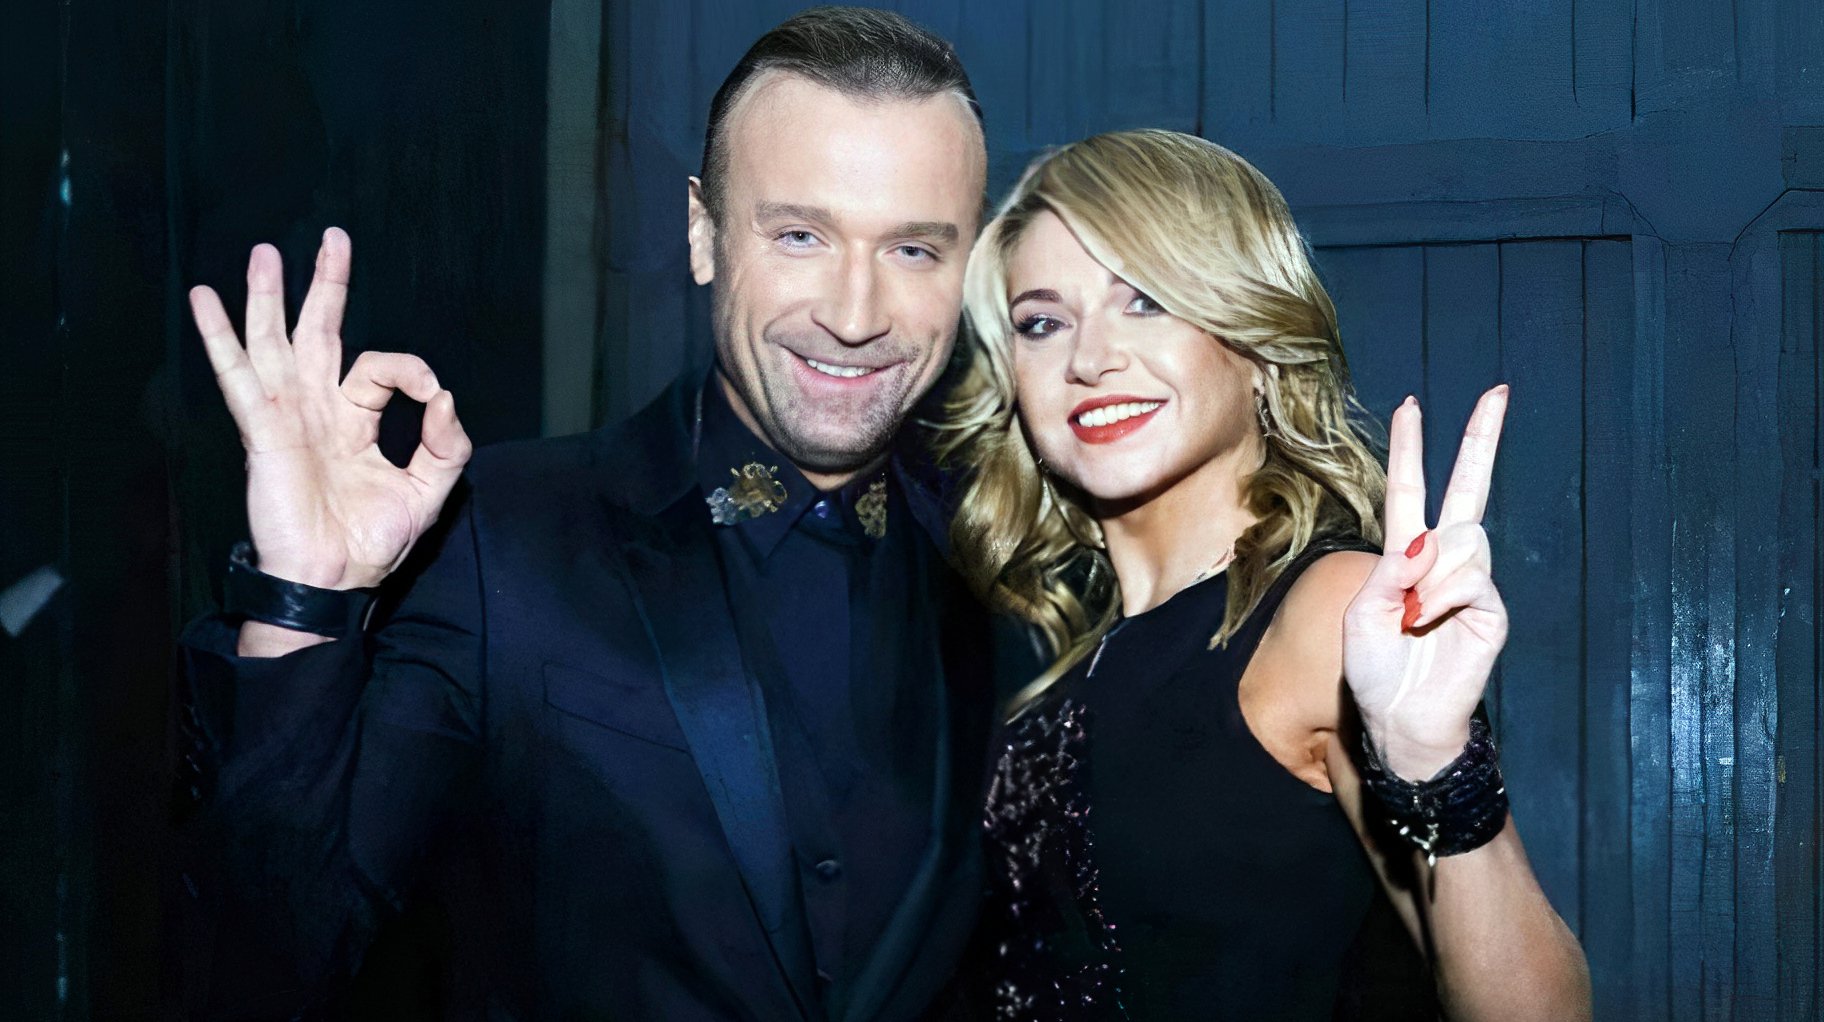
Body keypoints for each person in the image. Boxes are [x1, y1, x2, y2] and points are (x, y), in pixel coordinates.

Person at [173, 8, 1017, 1019]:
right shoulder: (501, 537)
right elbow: (276, 961)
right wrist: (302, 598)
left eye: (914, 250)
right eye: (800, 235)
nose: (853, 312)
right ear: (703, 233)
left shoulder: (1014, 561)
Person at [936, 130, 1592, 1020]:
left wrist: (1436, 766)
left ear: (1255, 342)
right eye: (1042, 323)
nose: (1088, 359)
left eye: (1146, 300)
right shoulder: (1054, 656)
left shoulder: (1330, 609)